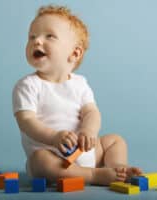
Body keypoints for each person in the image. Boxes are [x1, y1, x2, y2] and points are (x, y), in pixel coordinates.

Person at [12, 5, 142, 185]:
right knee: (39, 161)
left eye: (49, 36)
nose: (37, 41)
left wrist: (88, 131)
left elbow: (91, 112)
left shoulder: (80, 84)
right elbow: (26, 122)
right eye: (32, 36)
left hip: (85, 150)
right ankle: (93, 175)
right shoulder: (27, 86)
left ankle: (117, 167)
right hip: (54, 157)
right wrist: (54, 137)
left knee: (115, 141)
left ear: (75, 53)